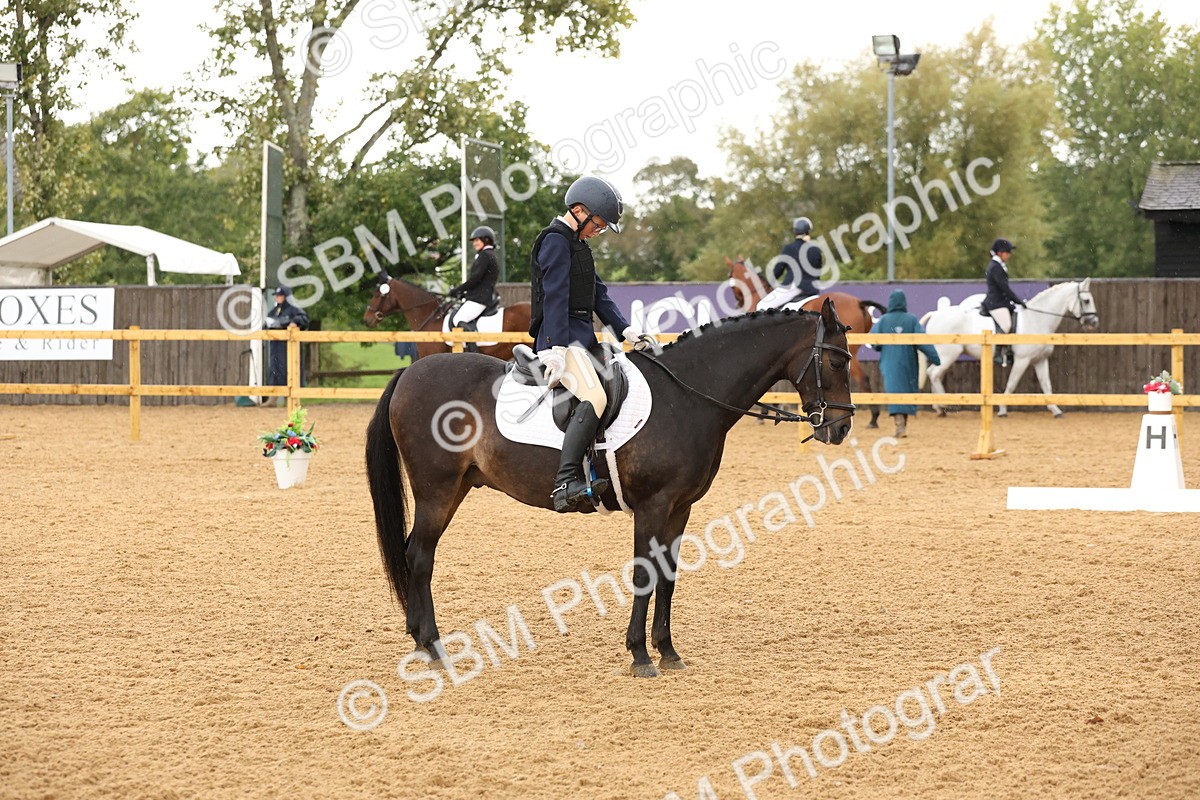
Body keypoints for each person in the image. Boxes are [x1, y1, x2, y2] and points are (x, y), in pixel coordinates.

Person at [529, 175, 657, 513]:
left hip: (583, 340)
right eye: (599, 223)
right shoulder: (555, 241)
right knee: (595, 396)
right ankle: (566, 481)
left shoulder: (579, 246)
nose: (599, 230)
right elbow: (555, 297)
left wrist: (627, 331)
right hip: (560, 340)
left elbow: (599, 295)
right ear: (579, 210)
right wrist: (555, 349)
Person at [874, 289, 941, 438]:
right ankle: (902, 425)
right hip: (908, 363)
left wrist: (882, 345)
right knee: (906, 391)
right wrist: (935, 358)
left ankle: (899, 426)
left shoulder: (884, 320)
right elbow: (923, 341)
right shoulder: (911, 320)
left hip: (889, 364)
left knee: (894, 392)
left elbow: (873, 341)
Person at [447, 225, 500, 353]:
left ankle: (473, 352)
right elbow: (479, 281)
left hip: (480, 298)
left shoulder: (485, 255)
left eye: (477, 240)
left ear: (486, 240)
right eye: (474, 241)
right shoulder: (489, 254)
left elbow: (475, 279)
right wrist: (464, 293)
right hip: (479, 295)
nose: (474, 243)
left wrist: (457, 290)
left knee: (458, 319)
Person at [758, 217, 822, 309]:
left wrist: (769, 282)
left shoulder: (789, 248)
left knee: (762, 306)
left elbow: (779, 269)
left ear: (795, 231)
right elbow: (817, 273)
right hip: (812, 290)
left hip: (793, 286)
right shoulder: (815, 249)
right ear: (808, 231)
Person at [979, 237, 1024, 367]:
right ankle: (998, 354)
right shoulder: (995, 267)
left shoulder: (998, 266)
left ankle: (1009, 351)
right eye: (1007, 252)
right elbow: (1004, 288)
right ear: (1000, 253)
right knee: (1006, 326)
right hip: (995, 303)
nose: (1009, 255)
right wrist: (1017, 300)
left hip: (1001, 301)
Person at [264, 285, 310, 403]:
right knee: (275, 370)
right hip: (276, 346)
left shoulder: (294, 308)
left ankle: (288, 399)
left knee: (289, 370)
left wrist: (295, 322)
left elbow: (304, 318)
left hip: (288, 347)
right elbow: (268, 321)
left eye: (280, 296)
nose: (277, 298)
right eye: (277, 296)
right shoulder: (276, 310)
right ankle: (273, 397)